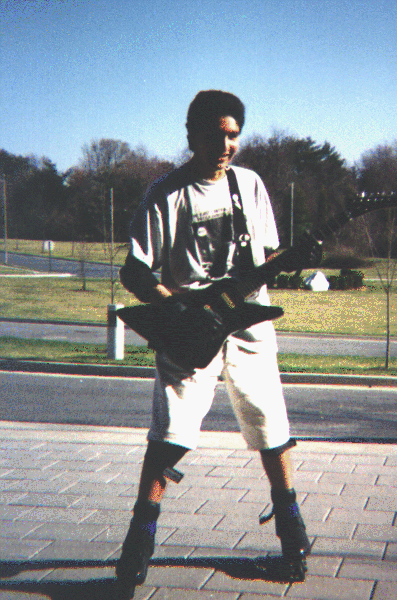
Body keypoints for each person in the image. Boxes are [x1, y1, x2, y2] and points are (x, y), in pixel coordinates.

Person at [116, 90, 321, 599]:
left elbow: (264, 258)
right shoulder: (166, 193)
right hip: (189, 328)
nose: (226, 145)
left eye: (233, 135)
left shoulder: (248, 185)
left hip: (249, 324)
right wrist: (178, 308)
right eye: (215, 135)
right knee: (171, 431)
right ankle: (138, 543)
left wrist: (291, 260)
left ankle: (292, 537)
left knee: (270, 424)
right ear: (192, 135)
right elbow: (135, 272)